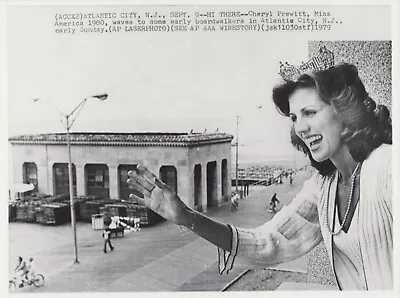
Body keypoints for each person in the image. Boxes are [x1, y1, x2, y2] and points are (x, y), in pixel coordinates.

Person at [127, 63, 392, 290]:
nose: (300, 127)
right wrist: (187, 217)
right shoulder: (324, 186)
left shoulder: (388, 166)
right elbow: (269, 241)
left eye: (310, 112)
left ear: (345, 111)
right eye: (294, 117)